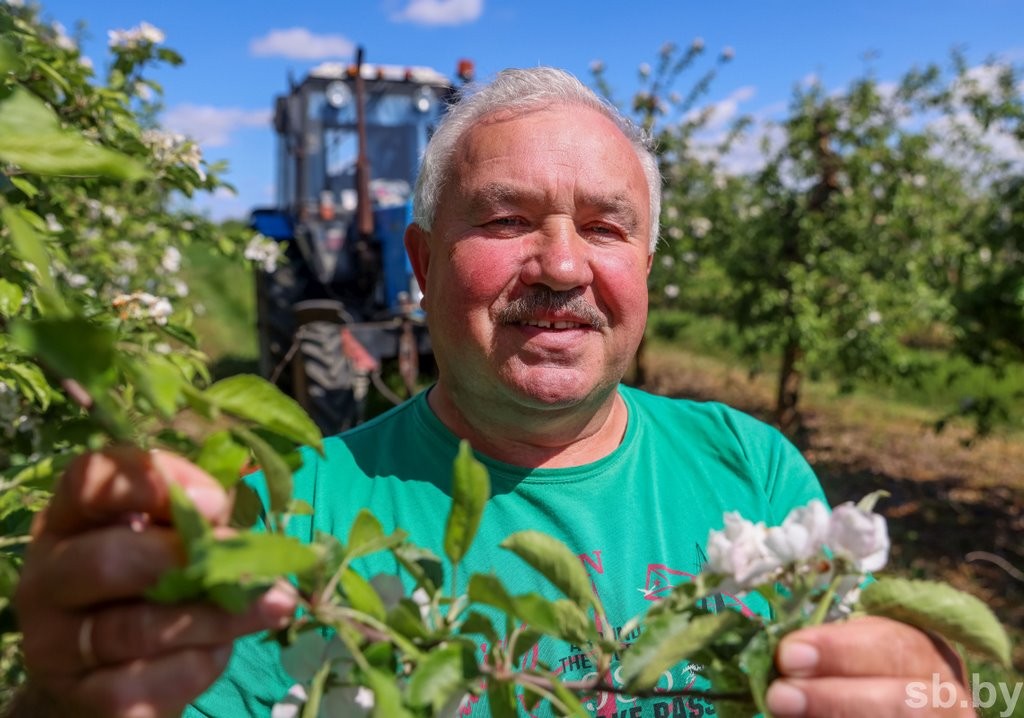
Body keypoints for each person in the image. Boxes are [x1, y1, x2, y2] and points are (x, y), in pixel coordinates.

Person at [10, 68, 971, 718]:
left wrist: (929, 687)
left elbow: (857, 675)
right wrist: (66, 699)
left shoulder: (750, 469)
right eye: (506, 219)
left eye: (604, 228)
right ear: (421, 262)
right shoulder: (297, 509)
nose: (559, 264)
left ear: (645, 263)